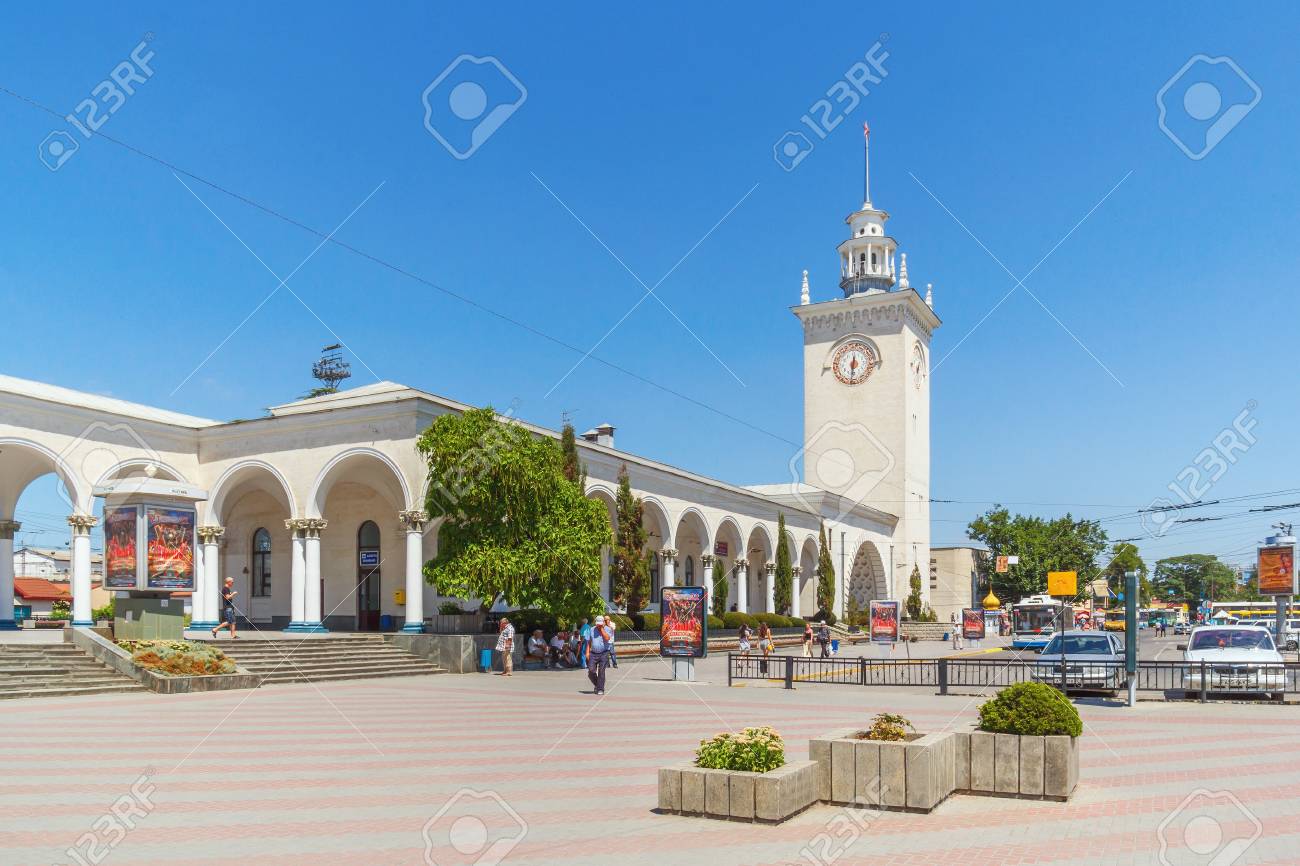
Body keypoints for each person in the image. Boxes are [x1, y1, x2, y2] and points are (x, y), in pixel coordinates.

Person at [587, 617, 613, 695]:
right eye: (597, 624)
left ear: (603, 623)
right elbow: (589, 642)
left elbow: (607, 638)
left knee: (601, 671)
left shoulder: (608, 629)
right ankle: (598, 685)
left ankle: (600, 689)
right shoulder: (592, 629)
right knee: (591, 671)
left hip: (604, 653)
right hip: (593, 653)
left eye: (600, 624)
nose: (598, 625)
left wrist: (602, 629)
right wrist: (587, 652)